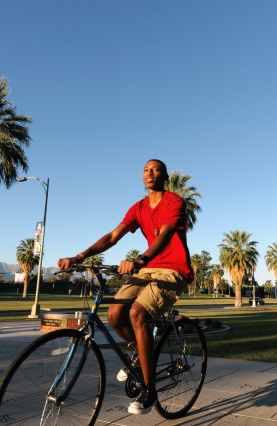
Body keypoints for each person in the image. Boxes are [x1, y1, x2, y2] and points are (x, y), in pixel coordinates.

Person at [57, 159, 193, 415]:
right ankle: (140, 355)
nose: (149, 173)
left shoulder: (174, 202)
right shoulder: (138, 208)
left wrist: (140, 259)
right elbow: (112, 236)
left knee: (137, 313)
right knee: (114, 314)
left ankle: (149, 389)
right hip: (147, 269)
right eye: (145, 169)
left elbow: (164, 236)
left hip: (173, 270)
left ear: (164, 177)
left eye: (155, 169)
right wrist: (80, 256)